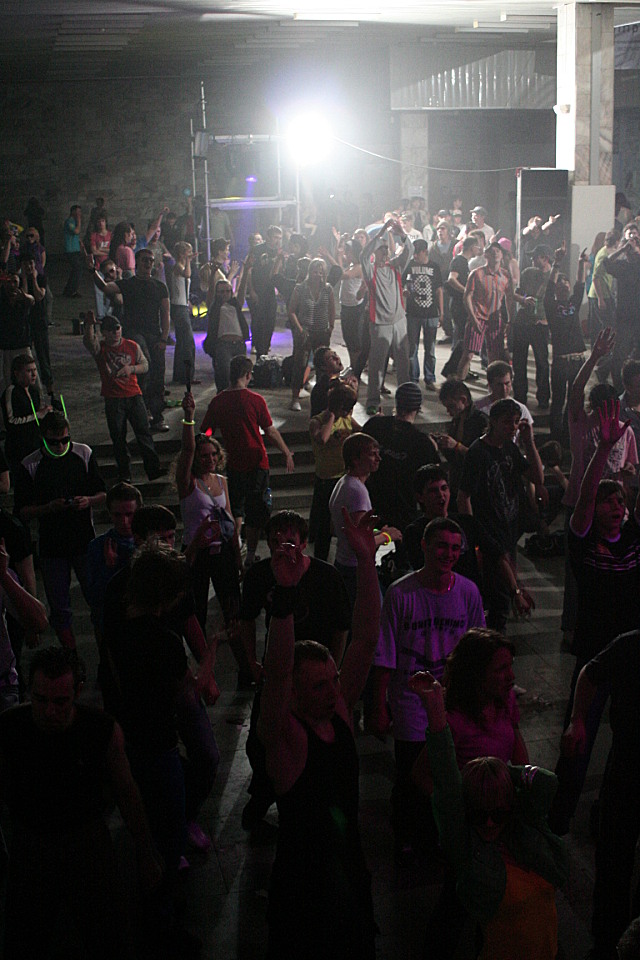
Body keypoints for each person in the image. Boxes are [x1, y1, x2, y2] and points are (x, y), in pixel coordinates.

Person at [257, 508, 381, 960]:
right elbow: (276, 673)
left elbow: (364, 638)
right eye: (318, 687)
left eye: (333, 681)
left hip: (349, 867)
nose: (333, 692)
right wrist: (285, 600)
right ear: (293, 696)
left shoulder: (338, 710)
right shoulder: (284, 738)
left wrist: (366, 563)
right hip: (303, 889)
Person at [0, 647, 162, 960]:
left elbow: (127, 793)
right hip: (34, 843)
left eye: (60, 702)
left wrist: (145, 852)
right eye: (41, 700)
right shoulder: (11, 728)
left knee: (108, 937)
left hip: (86, 843)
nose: (49, 711)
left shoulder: (100, 731)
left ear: (77, 692)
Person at [105, 545, 218, 958]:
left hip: (128, 743)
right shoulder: (165, 642)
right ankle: (161, 922)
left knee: (145, 832)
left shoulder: (117, 632)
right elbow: (189, 691)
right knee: (168, 841)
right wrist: (211, 653)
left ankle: (157, 905)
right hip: (159, 747)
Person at [410, 670, 568, 960]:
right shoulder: (468, 849)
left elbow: (548, 784)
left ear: (511, 806)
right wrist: (435, 710)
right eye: (478, 814)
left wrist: (500, 776)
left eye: (498, 812)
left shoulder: (524, 829)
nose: (489, 823)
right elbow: (446, 784)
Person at [369, 517, 486, 862]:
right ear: (423, 546)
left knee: (448, 769)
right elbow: (385, 655)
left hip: (452, 701)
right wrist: (378, 705)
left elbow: (478, 649)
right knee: (411, 773)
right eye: (441, 546)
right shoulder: (400, 594)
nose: (448, 554)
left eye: (455, 548)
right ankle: (408, 834)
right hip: (410, 701)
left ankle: (440, 833)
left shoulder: (468, 592)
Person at [550, 401, 640, 836]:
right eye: (608, 502)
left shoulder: (634, 536)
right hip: (595, 656)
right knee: (579, 739)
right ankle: (558, 814)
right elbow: (584, 501)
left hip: (632, 655)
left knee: (630, 741)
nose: (615, 507)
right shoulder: (584, 543)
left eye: (619, 500)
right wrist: (603, 450)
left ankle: (613, 808)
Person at [239, 509, 352, 832]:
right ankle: (261, 799)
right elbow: (246, 619)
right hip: (278, 671)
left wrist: (334, 668)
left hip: (316, 675)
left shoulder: (326, 576)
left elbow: (342, 626)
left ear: (303, 543)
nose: (282, 546)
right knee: (263, 740)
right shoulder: (260, 574)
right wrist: (251, 661)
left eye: (289, 539)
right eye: (275, 540)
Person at [562, 630, 640, 960]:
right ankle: (608, 942)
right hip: (627, 765)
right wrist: (577, 720)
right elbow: (589, 674)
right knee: (612, 859)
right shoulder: (631, 644)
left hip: (625, 766)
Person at [14, 411, 107, 653]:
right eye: (53, 442)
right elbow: (22, 511)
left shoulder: (83, 453)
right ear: (43, 439)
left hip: (84, 540)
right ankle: (71, 658)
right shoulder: (30, 465)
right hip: (52, 545)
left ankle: (106, 655)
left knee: (97, 601)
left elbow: (103, 493)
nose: (60, 446)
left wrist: (88, 500)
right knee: (60, 608)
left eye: (65, 440)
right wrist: (48, 508)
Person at [200, 355, 294, 569]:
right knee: (256, 510)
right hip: (257, 463)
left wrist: (211, 448)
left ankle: (236, 550)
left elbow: (206, 431)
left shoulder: (218, 401)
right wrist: (286, 452)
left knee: (236, 509)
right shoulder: (255, 400)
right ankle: (250, 555)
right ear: (248, 375)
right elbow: (269, 430)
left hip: (233, 463)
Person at [457, 398, 543, 631]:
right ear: (493, 422)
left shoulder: (509, 449)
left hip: (509, 528)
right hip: (489, 529)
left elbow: (537, 477)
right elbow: (464, 495)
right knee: (499, 599)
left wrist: (529, 442)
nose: (512, 427)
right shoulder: (478, 452)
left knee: (503, 591)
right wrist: (473, 533)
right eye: (507, 422)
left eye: (515, 422)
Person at [176, 391, 242, 635]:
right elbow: (187, 449)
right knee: (197, 610)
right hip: (197, 553)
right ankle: (201, 650)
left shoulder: (222, 481)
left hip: (222, 550)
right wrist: (189, 417)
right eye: (204, 456)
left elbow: (230, 518)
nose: (210, 459)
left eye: (214, 454)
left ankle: (237, 648)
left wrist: (237, 555)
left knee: (233, 607)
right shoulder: (188, 484)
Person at [362, 381, 438, 567]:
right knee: (403, 563)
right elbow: (432, 476)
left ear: (396, 402)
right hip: (404, 511)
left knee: (369, 558)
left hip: (371, 506)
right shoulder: (422, 443)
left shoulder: (374, 426)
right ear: (418, 407)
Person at [82, 311, 166, 481]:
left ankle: (152, 469)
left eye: (117, 328)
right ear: (104, 332)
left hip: (134, 395)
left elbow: (145, 365)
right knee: (118, 438)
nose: (115, 332)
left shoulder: (132, 345)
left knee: (144, 434)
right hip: (113, 398)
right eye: (111, 330)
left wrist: (131, 369)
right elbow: (89, 342)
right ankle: (125, 473)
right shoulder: (101, 349)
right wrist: (89, 325)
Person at [98, 246, 171, 431]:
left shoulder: (160, 287)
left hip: (154, 334)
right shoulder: (129, 284)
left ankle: (157, 416)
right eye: (145, 260)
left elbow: (165, 314)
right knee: (145, 368)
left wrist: (164, 338)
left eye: (151, 260)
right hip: (134, 333)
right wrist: (92, 271)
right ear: (137, 262)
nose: (148, 263)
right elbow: (106, 288)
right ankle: (144, 411)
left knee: (158, 375)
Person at [328, 432, 402, 605]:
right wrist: (388, 536)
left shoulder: (344, 483)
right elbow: (359, 543)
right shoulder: (357, 492)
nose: (378, 459)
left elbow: (343, 528)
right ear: (355, 459)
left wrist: (377, 531)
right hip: (356, 568)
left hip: (344, 563)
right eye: (372, 454)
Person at [360, 218, 413, 416]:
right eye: (381, 249)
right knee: (377, 365)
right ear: (375, 252)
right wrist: (382, 231)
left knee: (403, 364)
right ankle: (373, 401)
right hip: (380, 323)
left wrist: (401, 234)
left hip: (399, 321)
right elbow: (363, 255)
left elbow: (409, 251)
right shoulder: (370, 270)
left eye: (386, 249)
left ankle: (406, 401)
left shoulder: (395, 267)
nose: (385, 252)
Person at [85, 481, 142, 648]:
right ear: (110, 514)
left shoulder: (148, 543)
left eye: (129, 514)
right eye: (118, 515)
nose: (124, 521)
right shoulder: (98, 547)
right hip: (111, 624)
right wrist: (109, 568)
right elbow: (94, 597)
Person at [309, 381, 360, 561]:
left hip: (343, 477)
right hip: (326, 479)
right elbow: (322, 439)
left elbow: (361, 432)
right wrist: (331, 416)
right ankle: (321, 561)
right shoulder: (317, 421)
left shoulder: (347, 419)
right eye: (345, 408)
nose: (348, 412)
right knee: (323, 525)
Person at [544, 242, 588, 442]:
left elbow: (581, 283)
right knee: (558, 400)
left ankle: (569, 438)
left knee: (575, 400)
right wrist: (557, 263)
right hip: (561, 361)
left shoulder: (573, 303)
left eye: (566, 284)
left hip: (578, 360)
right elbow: (549, 287)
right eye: (560, 284)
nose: (564, 286)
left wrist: (581, 263)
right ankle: (555, 440)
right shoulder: (551, 305)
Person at [455, 242, 514, 382]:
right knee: (468, 354)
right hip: (478, 317)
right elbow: (467, 296)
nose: (495, 253)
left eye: (498, 251)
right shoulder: (477, 273)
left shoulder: (505, 275)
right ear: (486, 255)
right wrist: (473, 318)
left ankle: (493, 387)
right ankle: (457, 385)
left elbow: (510, 297)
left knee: (495, 356)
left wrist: (510, 320)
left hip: (495, 319)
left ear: (502, 254)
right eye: (492, 251)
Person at [288, 257, 336, 410]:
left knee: (323, 365)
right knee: (300, 364)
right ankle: (295, 397)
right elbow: (291, 311)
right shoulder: (300, 288)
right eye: (315, 272)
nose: (318, 275)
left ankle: (323, 397)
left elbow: (332, 309)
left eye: (321, 272)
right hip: (305, 332)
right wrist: (300, 329)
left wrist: (331, 327)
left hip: (322, 331)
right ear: (310, 272)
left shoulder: (328, 289)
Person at [432, 380, 488, 501]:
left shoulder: (481, 421)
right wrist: (442, 444)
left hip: (475, 485)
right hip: (458, 481)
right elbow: (454, 458)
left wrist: (457, 446)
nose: (448, 411)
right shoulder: (456, 420)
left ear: (463, 400)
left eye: (451, 406)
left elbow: (485, 458)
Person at [403, 238, 444, 391]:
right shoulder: (410, 265)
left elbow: (439, 290)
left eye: (417, 253)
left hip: (431, 313)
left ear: (425, 251)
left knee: (430, 348)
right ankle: (413, 379)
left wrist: (441, 312)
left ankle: (430, 378)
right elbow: (402, 283)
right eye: (413, 253)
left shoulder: (434, 267)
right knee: (412, 348)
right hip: (413, 313)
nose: (415, 256)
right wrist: (404, 291)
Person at [1, 353, 51, 477]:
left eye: (35, 370)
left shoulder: (34, 391)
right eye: (29, 371)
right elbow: (11, 422)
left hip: (34, 444)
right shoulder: (11, 391)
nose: (34, 374)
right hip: (18, 448)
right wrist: (38, 415)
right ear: (17, 373)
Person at [203, 278, 249, 392]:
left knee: (241, 376)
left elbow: (242, 292)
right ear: (217, 293)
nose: (225, 294)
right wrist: (212, 275)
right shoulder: (215, 307)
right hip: (223, 345)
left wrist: (246, 272)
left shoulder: (235, 305)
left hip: (239, 344)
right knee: (224, 374)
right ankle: (223, 398)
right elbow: (210, 296)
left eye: (228, 291)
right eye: (222, 292)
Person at [474, 359, 534, 433]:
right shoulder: (478, 407)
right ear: (490, 384)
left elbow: (529, 435)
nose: (504, 389)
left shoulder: (521, 408)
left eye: (507, 383)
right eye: (499, 384)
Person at [169, 240, 198, 386]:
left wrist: (188, 303)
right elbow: (187, 275)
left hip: (182, 305)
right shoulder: (178, 266)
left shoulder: (181, 266)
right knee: (187, 343)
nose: (191, 254)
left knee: (182, 343)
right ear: (181, 254)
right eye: (188, 252)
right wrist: (188, 261)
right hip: (178, 308)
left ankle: (181, 375)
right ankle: (186, 375)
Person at [62, 204, 83, 298]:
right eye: (78, 212)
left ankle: (69, 289)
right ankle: (72, 290)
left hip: (75, 249)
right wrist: (79, 220)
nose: (79, 214)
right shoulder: (69, 221)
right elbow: (76, 231)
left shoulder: (73, 222)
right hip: (71, 250)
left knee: (76, 270)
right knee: (77, 269)